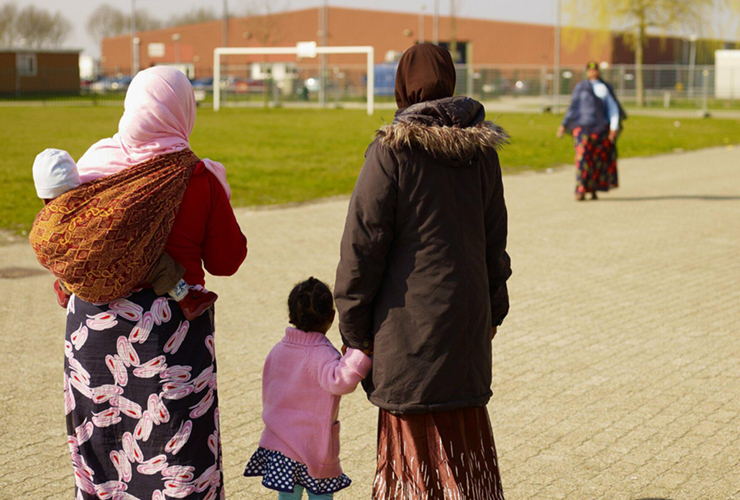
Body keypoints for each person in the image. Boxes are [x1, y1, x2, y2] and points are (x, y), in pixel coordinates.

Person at [34, 67, 247, 499]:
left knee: (103, 448)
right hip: (167, 336)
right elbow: (228, 260)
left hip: (92, 331)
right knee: (176, 448)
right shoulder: (197, 179)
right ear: (184, 111)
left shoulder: (93, 168)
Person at [334, 43, 512, 500]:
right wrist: (493, 311)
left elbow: (361, 247)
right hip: (466, 327)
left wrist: (354, 331)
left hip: (407, 336)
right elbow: (496, 242)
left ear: (402, 88)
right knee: (462, 453)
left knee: (411, 467)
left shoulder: (391, 151)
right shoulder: (483, 153)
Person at [32, 148, 218, 319]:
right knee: (160, 264)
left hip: (85, 286)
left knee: (67, 266)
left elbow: (44, 255)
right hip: (124, 273)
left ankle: (64, 290)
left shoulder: (44, 227)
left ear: (42, 196)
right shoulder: (93, 202)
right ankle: (187, 301)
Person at [244, 277, 371, 500]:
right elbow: (341, 380)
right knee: (320, 496)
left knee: (288, 497)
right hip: (313, 449)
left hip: (280, 447)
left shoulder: (278, 350)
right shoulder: (322, 353)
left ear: (291, 316)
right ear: (331, 317)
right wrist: (358, 353)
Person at [557, 61, 626, 201]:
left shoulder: (605, 88)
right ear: (587, 72)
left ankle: (593, 188)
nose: (593, 73)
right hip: (582, 128)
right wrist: (563, 125)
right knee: (582, 158)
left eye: (596, 70)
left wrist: (613, 128)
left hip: (600, 129)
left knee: (596, 161)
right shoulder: (580, 88)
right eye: (590, 70)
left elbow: (613, 109)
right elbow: (573, 108)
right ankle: (580, 189)